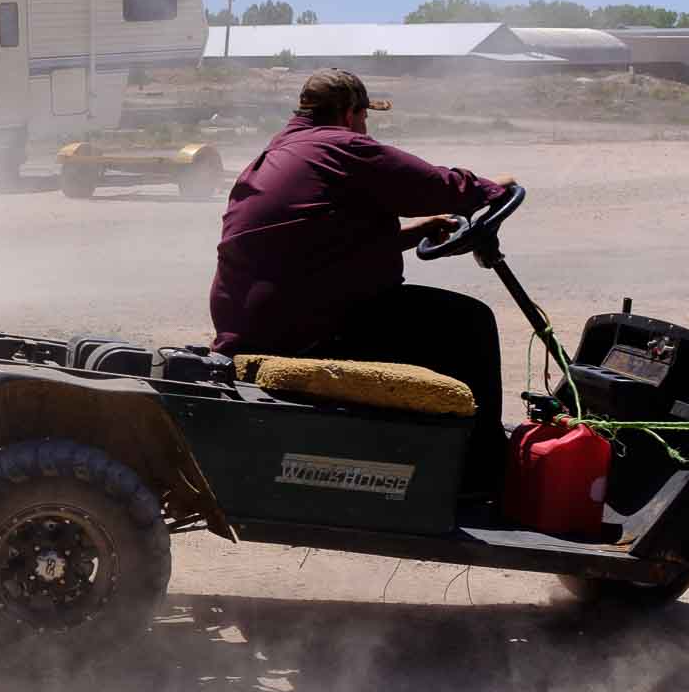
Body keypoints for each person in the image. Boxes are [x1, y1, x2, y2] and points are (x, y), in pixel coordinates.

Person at [208, 69, 515, 495]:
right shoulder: (345, 148)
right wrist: (490, 189)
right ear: (350, 112)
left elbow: (321, 245)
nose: (366, 127)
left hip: (260, 320)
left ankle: (434, 448)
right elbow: (438, 186)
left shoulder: (278, 153)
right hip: (307, 327)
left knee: (425, 319)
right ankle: (483, 473)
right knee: (471, 323)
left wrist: (413, 233)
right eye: (365, 116)